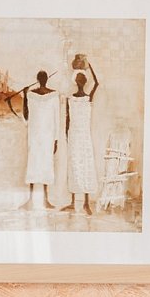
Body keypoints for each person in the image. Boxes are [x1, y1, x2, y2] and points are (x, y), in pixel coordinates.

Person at [62, 63, 100, 215]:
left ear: (78, 82)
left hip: (79, 136)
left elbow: (67, 121)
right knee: (78, 165)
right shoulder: (78, 98)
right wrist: (90, 67)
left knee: (81, 165)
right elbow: (97, 82)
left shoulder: (78, 99)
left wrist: (67, 135)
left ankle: (82, 203)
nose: (80, 82)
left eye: (80, 79)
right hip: (78, 135)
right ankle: (79, 203)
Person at [20, 71, 60, 210]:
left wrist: (24, 96)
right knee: (45, 164)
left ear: (37, 79)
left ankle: (33, 200)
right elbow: (57, 119)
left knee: (34, 163)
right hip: (46, 136)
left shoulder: (31, 95)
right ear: (46, 79)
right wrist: (56, 139)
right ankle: (44, 200)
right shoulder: (54, 95)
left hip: (37, 135)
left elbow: (26, 116)